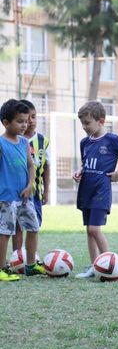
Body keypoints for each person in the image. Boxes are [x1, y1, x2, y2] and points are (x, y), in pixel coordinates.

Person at [72, 101, 118, 278]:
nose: (84, 127)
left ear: (101, 121)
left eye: (87, 123)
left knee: (95, 229)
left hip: (101, 191)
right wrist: (80, 171)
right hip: (86, 189)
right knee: (89, 229)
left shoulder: (112, 140)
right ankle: (95, 267)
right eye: (82, 123)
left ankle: (110, 265)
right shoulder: (84, 142)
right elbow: (86, 163)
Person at [0, 99, 43, 281]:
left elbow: (31, 166)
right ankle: (2, 268)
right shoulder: (1, 143)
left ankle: (31, 265)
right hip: (6, 198)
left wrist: (29, 186)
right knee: (5, 232)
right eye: (20, 121)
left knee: (33, 228)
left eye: (26, 121)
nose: (25, 125)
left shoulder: (25, 143)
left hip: (25, 197)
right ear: (6, 122)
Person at [12, 99, 50, 253]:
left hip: (35, 193)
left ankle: (31, 257)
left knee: (34, 226)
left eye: (34, 117)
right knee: (17, 226)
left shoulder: (43, 141)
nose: (31, 121)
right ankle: (17, 257)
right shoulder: (14, 140)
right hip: (16, 192)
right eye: (26, 119)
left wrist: (46, 191)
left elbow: (46, 166)